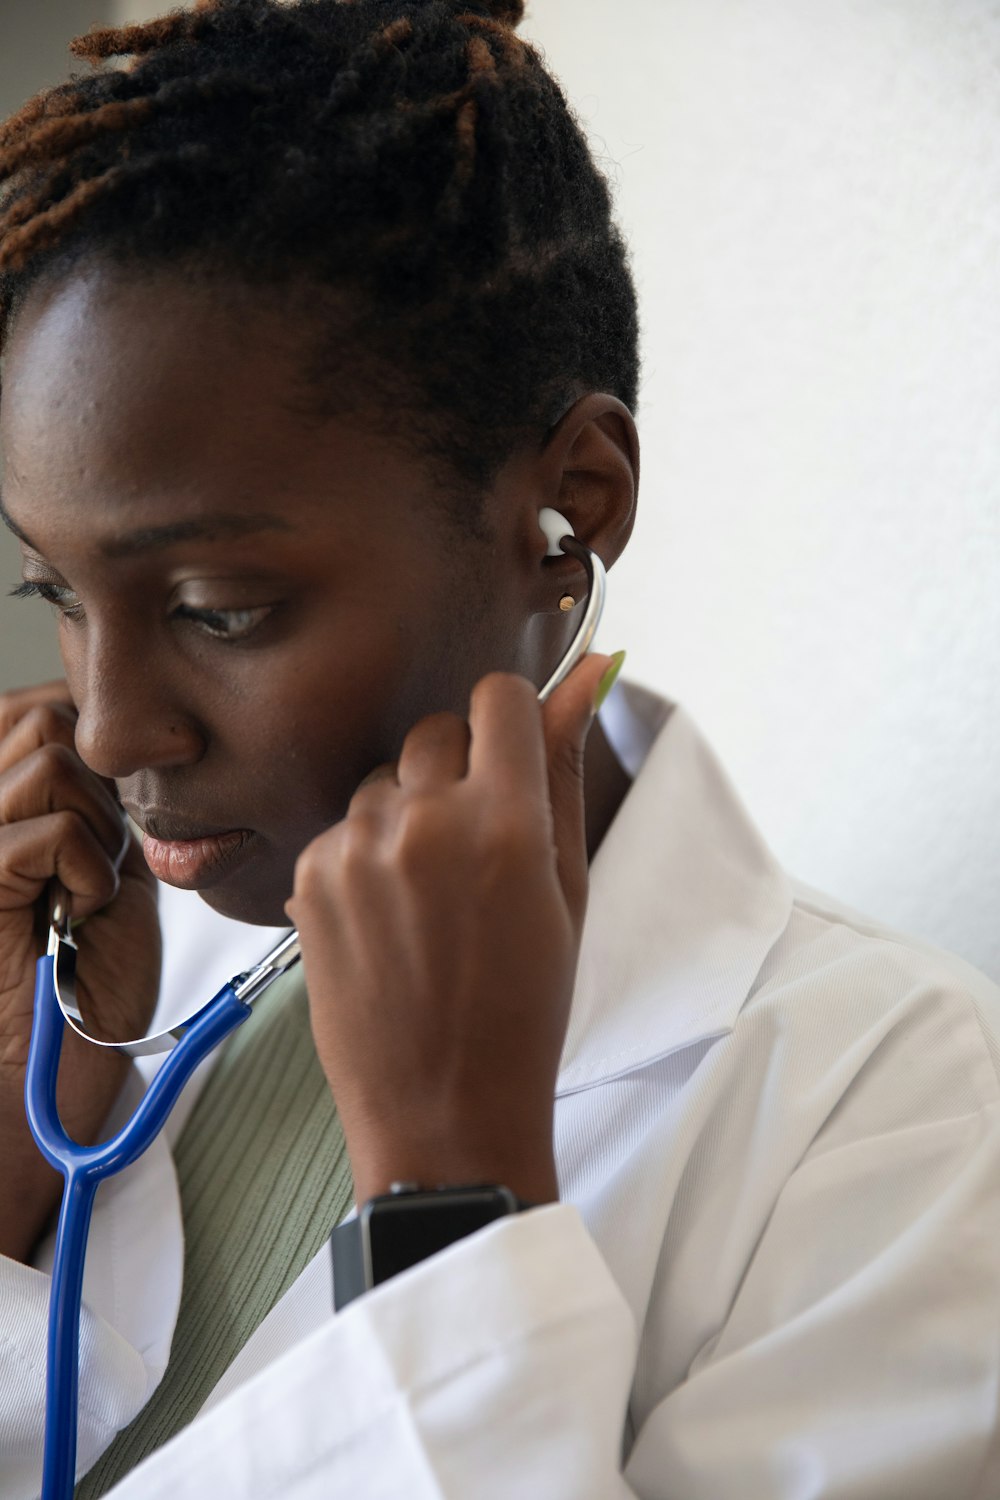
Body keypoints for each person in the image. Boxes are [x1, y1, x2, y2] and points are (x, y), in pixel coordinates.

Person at [0, 1, 998, 1496]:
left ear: (572, 510)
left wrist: (449, 1197)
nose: (109, 722)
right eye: (60, 597)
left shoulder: (909, 1129)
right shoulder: (108, 994)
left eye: (219, 607)